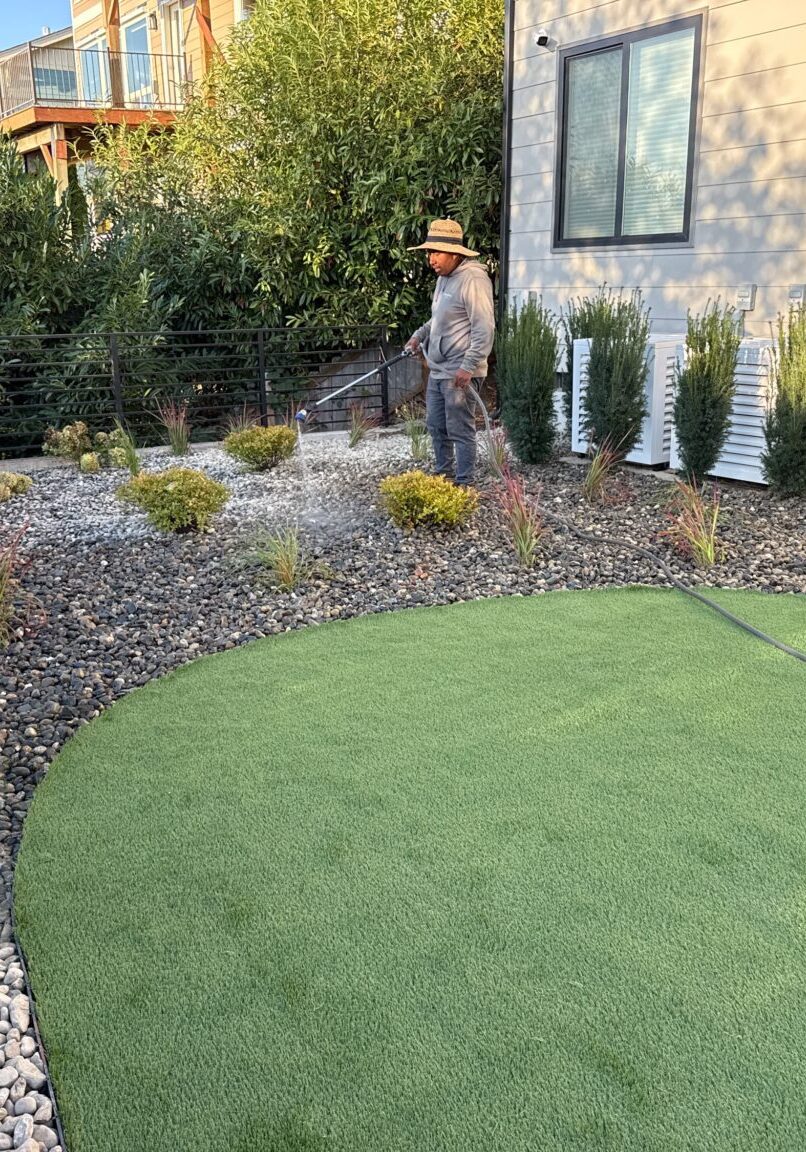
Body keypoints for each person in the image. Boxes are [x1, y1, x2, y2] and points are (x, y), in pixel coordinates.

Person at [405, 219, 495, 487]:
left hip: (459, 371)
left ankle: (465, 484)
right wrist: (418, 336)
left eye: (436, 253)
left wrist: (468, 366)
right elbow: (440, 319)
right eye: (429, 253)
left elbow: (484, 326)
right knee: (435, 425)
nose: (431, 259)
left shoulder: (473, 279)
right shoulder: (444, 279)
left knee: (459, 429)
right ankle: (443, 477)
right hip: (439, 369)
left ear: (454, 254)